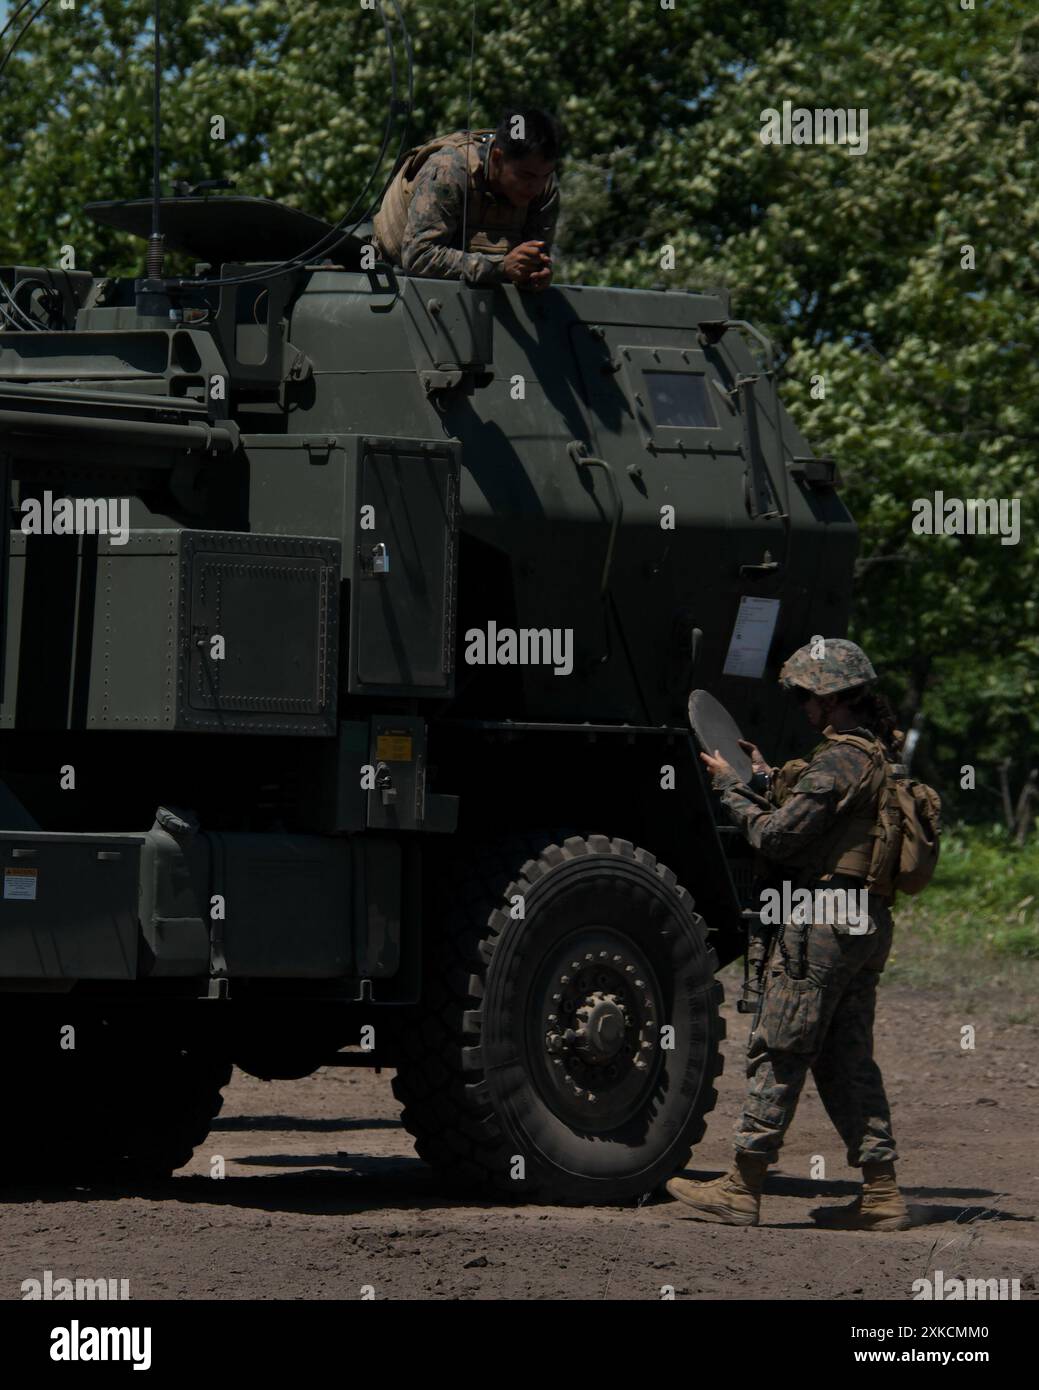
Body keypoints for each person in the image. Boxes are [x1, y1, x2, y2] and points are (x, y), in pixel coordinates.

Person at [666, 638, 913, 1231]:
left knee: (779, 1047)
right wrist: (764, 773)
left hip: (823, 924)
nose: (802, 705)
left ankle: (742, 1186)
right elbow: (826, 813)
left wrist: (731, 788)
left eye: (806, 695)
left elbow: (777, 837)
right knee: (845, 1059)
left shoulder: (837, 761)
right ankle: (882, 1193)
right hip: (865, 921)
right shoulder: (875, 755)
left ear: (831, 699)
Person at [372, 105, 560, 288]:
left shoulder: (544, 186)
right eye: (525, 176)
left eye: (545, 175)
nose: (535, 187)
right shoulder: (449, 170)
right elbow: (418, 256)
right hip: (398, 280)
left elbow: (535, 257)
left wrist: (536, 272)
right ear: (497, 158)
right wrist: (500, 267)